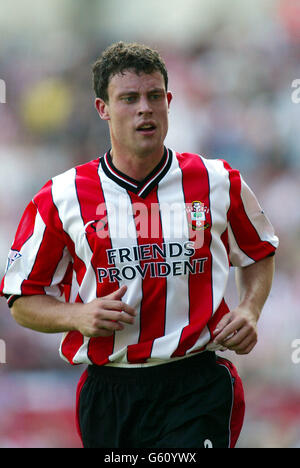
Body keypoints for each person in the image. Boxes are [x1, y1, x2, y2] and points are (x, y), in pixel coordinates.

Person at [0, 41, 278, 449]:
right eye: (129, 98)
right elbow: (21, 298)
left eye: (153, 96)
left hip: (195, 384)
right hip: (110, 391)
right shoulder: (61, 197)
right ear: (103, 109)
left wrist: (251, 309)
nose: (144, 108)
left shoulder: (217, 181)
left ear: (169, 102)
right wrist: (76, 316)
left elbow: (259, 251)